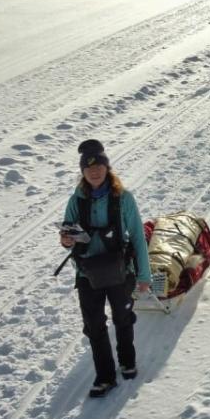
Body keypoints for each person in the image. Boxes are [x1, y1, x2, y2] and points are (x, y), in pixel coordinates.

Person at [58, 139, 152, 398]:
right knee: (95, 325)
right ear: (83, 172)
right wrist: (66, 240)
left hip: (120, 271)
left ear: (107, 167)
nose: (94, 172)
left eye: (99, 165)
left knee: (123, 318)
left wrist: (144, 276)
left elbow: (137, 238)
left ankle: (127, 360)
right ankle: (105, 376)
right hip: (87, 274)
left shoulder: (123, 198)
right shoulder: (76, 201)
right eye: (88, 169)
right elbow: (68, 236)